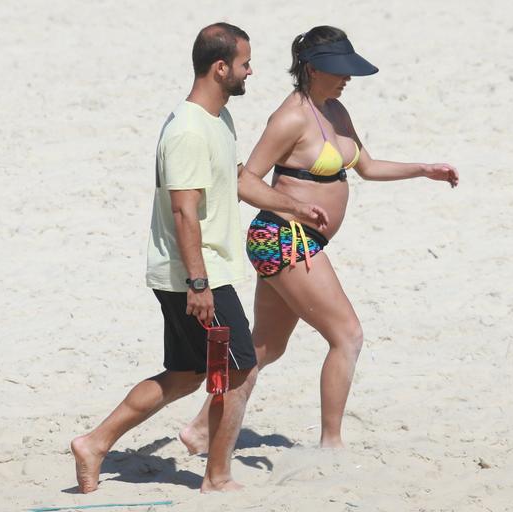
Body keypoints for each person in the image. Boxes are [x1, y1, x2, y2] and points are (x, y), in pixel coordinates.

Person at [70, 23, 328, 494]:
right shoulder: (188, 131)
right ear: (220, 67)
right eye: (245, 63)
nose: (252, 71)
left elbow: (235, 179)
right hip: (197, 273)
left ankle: (94, 443)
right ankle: (217, 477)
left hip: (202, 270)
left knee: (189, 374)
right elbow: (184, 212)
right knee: (239, 366)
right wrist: (199, 285)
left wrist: (292, 206)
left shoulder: (217, 119)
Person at [179, 25, 458, 452]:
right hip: (283, 239)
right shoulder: (290, 117)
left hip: (301, 241)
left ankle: (200, 428)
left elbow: (368, 166)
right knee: (347, 336)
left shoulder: (336, 111)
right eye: (338, 70)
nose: (347, 78)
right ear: (311, 69)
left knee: (265, 348)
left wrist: (423, 169)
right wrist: (293, 207)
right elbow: (245, 179)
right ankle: (332, 443)